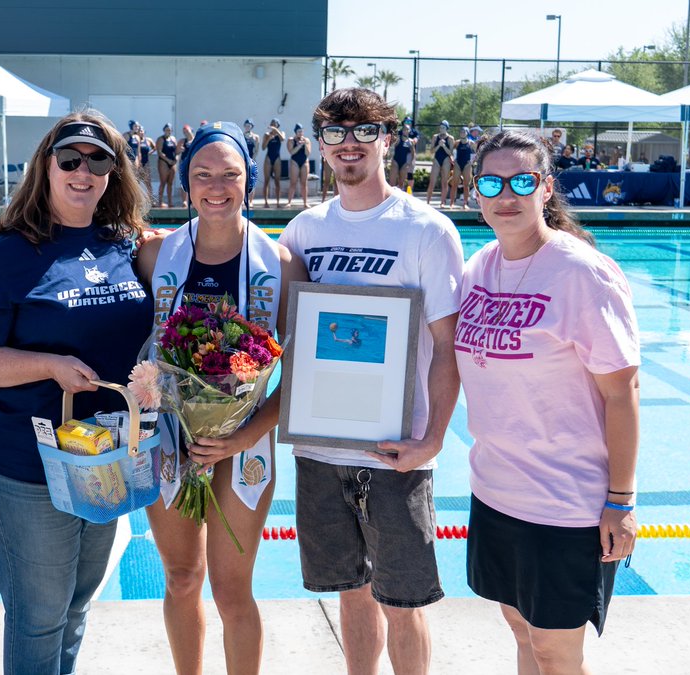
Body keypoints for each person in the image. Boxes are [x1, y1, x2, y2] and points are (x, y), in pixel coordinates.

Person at [0, 112, 151, 674]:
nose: (82, 171)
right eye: (70, 159)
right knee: (39, 615)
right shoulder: (9, 253)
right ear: (46, 166)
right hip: (25, 462)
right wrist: (49, 364)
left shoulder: (123, 244)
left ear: (114, 173)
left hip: (103, 455)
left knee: (77, 603)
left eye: (99, 160)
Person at [279, 87, 464, 675]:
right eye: (335, 133)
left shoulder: (426, 231)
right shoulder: (304, 231)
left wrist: (432, 440)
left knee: (404, 602)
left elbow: (446, 346)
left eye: (363, 131)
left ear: (387, 139)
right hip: (318, 445)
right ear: (321, 146)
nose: (349, 144)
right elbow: (285, 335)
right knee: (350, 591)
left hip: (396, 451)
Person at [459, 130, 639, 674]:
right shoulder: (479, 267)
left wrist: (622, 501)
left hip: (565, 503)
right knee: (519, 629)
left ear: (545, 188)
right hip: (495, 491)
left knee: (556, 652)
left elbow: (623, 391)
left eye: (522, 180)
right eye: (492, 181)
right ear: (476, 191)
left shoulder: (581, 271)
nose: (506, 194)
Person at [136, 121, 306, 675]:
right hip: (168, 439)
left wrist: (245, 434)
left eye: (229, 174)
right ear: (185, 182)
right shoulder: (153, 256)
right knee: (182, 579)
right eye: (202, 174)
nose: (216, 186)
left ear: (248, 182)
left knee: (234, 592)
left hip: (246, 445)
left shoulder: (280, 265)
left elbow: (303, 371)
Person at [427, 121, 455, 207]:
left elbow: (450, 153)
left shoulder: (450, 138)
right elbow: (431, 151)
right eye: (440, 127)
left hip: (446, 160)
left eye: (443, 127)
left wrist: (444, 146)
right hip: (437, 159)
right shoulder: (435, 137)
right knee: (432, 181)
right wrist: (439, 145)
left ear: (446, 128)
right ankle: (428, 201)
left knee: (444, 182)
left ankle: (442, 202)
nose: (441, 129)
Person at [261, 118, 285, 208]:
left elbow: (282, 139)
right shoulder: (266, 135)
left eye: (275, 124)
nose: (273, 125)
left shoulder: (281, 133)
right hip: (268, 158)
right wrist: (268, 139)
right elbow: (263, 147)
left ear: (278, 125)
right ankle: (266, 202)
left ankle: (278, 202)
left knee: (277, 181)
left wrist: (276, 131)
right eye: (272, 124)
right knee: (266, 181)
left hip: (277, 159)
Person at [450, 127, 476, 209]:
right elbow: (452, 152)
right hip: (458, 164)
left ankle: (465, 203)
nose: (462, 133)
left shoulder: (471, 143)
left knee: (466, 185)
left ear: (467, 133)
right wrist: (453, 160)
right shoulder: (457, 143)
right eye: (460, 131)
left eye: (463, 132)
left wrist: (471, 162)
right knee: (454, 184)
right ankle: (452, 202)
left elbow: (475, 154)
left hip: (467, 165)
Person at [286, 123, 311, 207]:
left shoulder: (306, 140)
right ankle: (289, 202)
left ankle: (305, 203)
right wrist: (299, 145)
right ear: (295, 132)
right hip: (294, 162)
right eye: (298, 131)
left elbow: (308, 153)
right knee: (293, 183)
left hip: (304, 162)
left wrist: (305, 145)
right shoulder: (291, 140)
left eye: (301, 131)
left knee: (304, 183)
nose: (300, 133)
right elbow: (291, 152)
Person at [156, 123, 179, 207]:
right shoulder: (161, 139)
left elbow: (176, 151)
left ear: (171, 131)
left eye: (169, 130)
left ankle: (170, 202)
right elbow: (159, 152)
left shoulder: (173, 139)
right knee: (163, 182)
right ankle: (160, 202)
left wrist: (176, 158)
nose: (168, 132)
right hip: (164, 162)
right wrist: (167, 160)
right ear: (164, 130)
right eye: (166, 130)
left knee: (170, 183)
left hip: (172, 162)